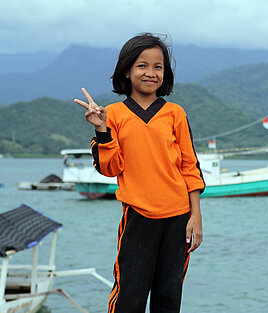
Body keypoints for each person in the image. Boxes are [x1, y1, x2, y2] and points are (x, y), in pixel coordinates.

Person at [74, 33, 205, 313]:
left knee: (168, 297)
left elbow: (189, 167)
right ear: (127, 71)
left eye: (158, 67)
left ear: (165, 73)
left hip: (179, 218)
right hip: (138, 216)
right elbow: (110, 168)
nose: (150, 73)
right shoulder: (113, 114)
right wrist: (101, 129)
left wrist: (196, 216)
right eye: (142, 65)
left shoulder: (175, 113)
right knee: (128, 297)